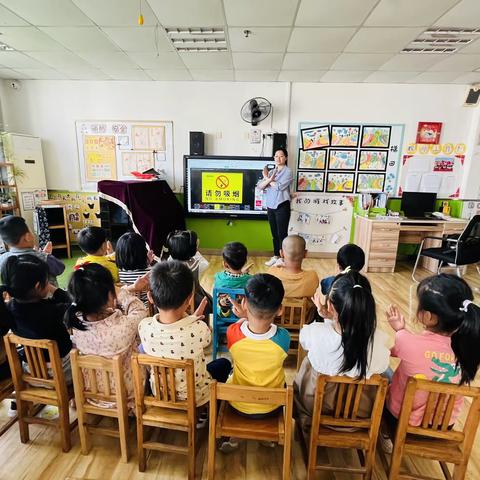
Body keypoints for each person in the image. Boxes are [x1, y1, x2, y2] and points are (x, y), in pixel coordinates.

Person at [294, 270, 390, 435]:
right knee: (385, 373)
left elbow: (312, 340)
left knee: (307, 363)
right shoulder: (379, 340)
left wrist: (326, 319)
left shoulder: (314, 332)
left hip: (318, 410)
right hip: (363, 415)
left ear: (330, 306)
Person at [384, 274, 480, 432]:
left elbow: (388, 353)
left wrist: (400, 329)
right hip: (444, 426)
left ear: (428, 317)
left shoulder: (405, 340)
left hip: (401, 421)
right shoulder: (469, 347)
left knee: (384, 374)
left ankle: (386, 434)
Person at [138, 261, 231, 410]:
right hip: (196, 396)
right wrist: (192, 320)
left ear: (150, 297)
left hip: (161, 393)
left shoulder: (144, 326)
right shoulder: (198, 329)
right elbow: (208, 340)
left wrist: (191, 320)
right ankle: (207, 410)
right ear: (190, 299)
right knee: (224, 364)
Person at [219, 274, 290, 451]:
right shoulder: (283, 338)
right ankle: (265, 436)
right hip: (271, 407)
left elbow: (241, 329)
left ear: (244, 304)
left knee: (224, 367)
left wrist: (244, 317)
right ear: (280, 310)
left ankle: (235, 436)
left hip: (237, 404)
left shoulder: (233, 332)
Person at [66, 263, 148, 410]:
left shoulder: (76, 324)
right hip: (125, 395)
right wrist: (120, 291)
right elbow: (140, 310)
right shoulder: (123, 326)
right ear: (110, 295)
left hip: (92, 393)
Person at [0, 254, 72, 380]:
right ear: (38, 286)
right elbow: (75, 303)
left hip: (30, 373)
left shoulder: (8, 309)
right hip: (61, 374)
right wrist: (54, 289)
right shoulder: (54, 310)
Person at [0, 215, 65, 285]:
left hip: (17, 295)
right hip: (46, 295)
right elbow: (60, 268)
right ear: (27, 237)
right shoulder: (42, 258)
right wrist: (46, 254)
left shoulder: (2, 258)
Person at [258, 148, 293, 267]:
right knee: (274, 234)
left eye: (281, 156)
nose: (278, 158)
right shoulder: (272, 171)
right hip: (271, 206)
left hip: (282, 206)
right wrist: (268, 179)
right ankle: (276, 256)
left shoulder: (288, 171)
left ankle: (283, 259)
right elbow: (260, 186)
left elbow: (279, 187)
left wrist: (269, 180)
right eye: (276, 156)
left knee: (282, 234)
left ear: (286, 158)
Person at [166, 229, 212, 314]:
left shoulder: (168, 263)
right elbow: (205, 262)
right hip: (195, 300)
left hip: (173, 300)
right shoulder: (199, 264)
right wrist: (196, 250)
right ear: (193, 249)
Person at [268, 234, 319, 299]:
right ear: (305, 254)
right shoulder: (312, 276)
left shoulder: (272, 273)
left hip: (278, 308)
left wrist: (276, 267)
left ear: (281, 253)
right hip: (306, 309)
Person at [116, 231, 154, 305]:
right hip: (148, 308)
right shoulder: (151, 272)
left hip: (129, 306)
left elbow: (134, 268)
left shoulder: (120, 272)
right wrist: (149, 263)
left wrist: (147, 262)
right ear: (143, 251)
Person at [214, 241, 250, 318]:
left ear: (225, 264)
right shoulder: (250, 280)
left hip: (223, 317)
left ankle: (224, 309)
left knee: (220, 299)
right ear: (245, 261)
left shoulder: (218, 277)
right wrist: (244, 274)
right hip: (242, 315)